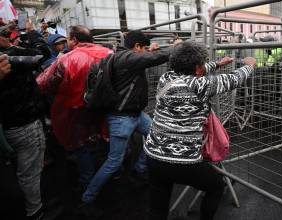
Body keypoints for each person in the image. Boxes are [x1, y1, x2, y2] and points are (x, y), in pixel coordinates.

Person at [144, 40, 256, 220]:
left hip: (153, 155)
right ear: (197, 68)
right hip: (183, 162)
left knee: (157, 209)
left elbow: (196, 69)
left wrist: (218, 64)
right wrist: (250, 65)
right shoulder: (200, 85)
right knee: (216, 186)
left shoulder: (167, 79)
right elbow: (234, 79)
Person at [80, 30, 176, 209]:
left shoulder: (121, 57)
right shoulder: (127, 58)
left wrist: (149, 51)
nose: (145, 51)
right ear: (136, 46)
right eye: (144, 48)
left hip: (136, 115)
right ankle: (88, 197)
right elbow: (152, 59)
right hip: (122, 118)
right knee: (113, 161)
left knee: (157, 135)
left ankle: (139, 168)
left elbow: (144, 57)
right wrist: (176, 48)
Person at [37, 25, 112, 202]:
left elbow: (44, 84)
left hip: (77, 110)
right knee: (106, 137)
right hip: (105, 106)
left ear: (74, 40)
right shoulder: (110, 53)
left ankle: (88, 181)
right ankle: (112, 173)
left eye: (68, 39)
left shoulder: (66, 59)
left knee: (80, 145)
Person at [0, 20, 52, 220]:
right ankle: (35, 211)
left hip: (11, 123)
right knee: (29, 172)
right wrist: (32, 33)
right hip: (23, 124)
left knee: (22, 169)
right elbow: (43, 53)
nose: (8, 34)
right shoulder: (8, 56)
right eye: (4, 32)